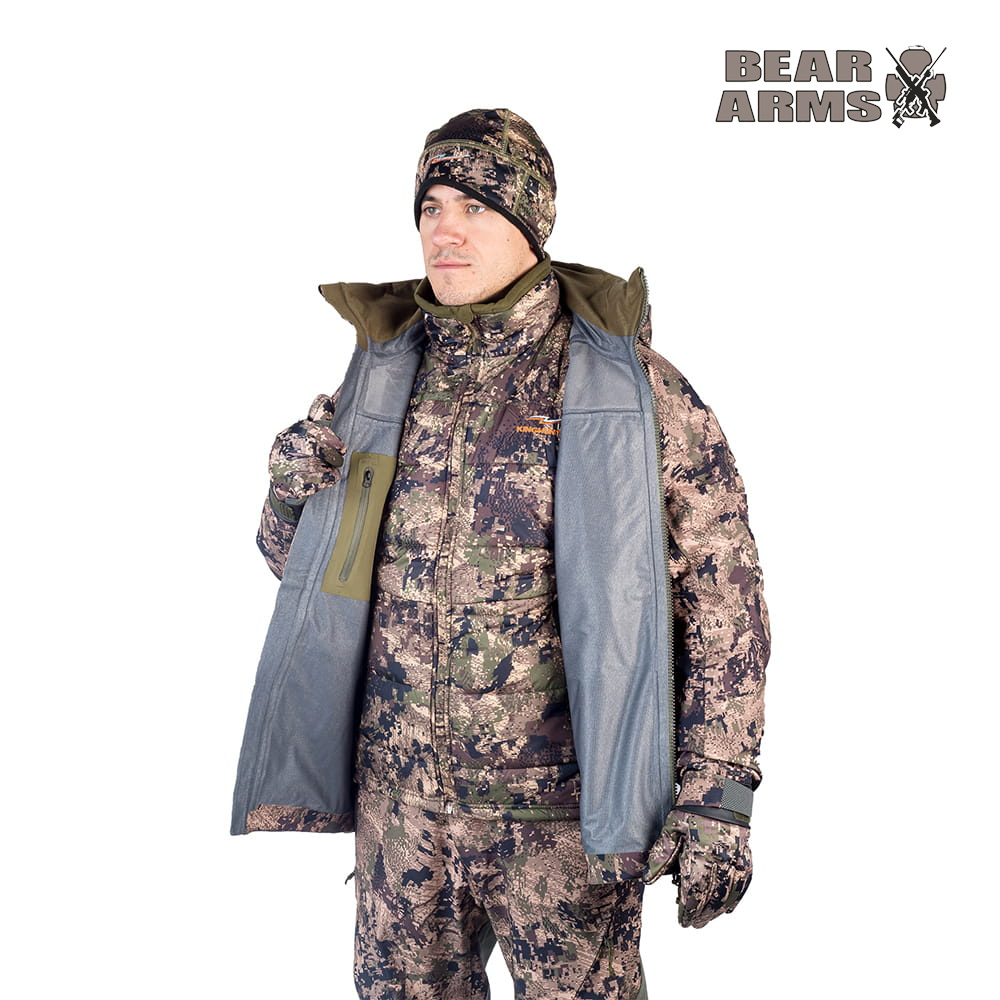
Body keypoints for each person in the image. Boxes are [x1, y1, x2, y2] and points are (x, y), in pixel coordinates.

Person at [231, 109, 769, 1000]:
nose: (445, 229)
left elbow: (725, 601)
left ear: (531, 222)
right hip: (403, 815)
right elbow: (306, 573)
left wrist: (719, 794)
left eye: (476, 207)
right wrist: (291, 492)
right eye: (431, 206)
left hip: (561, 825)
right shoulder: (381, 373)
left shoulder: (629, 387)